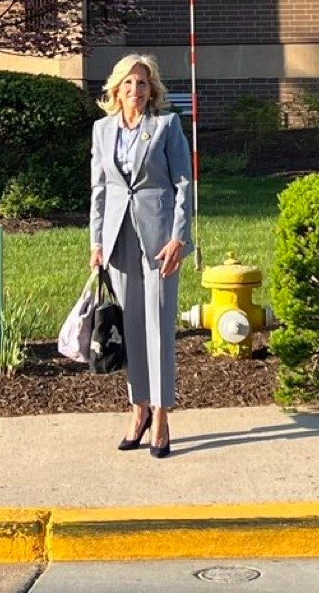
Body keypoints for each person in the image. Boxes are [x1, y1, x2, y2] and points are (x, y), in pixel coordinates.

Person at [89, 52, 193, 459]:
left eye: (143, 83)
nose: (135, 90)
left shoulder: (167, 126)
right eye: (128, 83)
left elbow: (184, 183)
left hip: (159, 238)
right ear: (116, 89)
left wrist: (178, 237)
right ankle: (139, 409)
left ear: (152, 91)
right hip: (117, 238)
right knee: (131, 328)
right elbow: (99, 189)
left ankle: (163, 416)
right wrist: (95, 243)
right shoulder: (102, 130)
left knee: (159, 326)